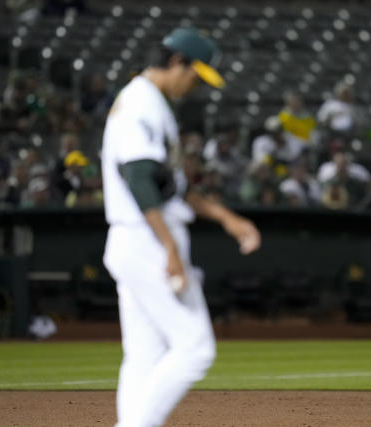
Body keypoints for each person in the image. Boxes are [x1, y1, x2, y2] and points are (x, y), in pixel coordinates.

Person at [101, 28, 261, 427]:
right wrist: (170, 248)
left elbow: (171, 188)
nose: (194, 86)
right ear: (176, 62)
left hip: (140, 237)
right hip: (146, 241)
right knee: (196, 349)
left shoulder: (150, 102)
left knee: (144, 354)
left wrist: (227, 218)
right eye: (194, 75)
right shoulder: (142, 103)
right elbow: (138, 178)